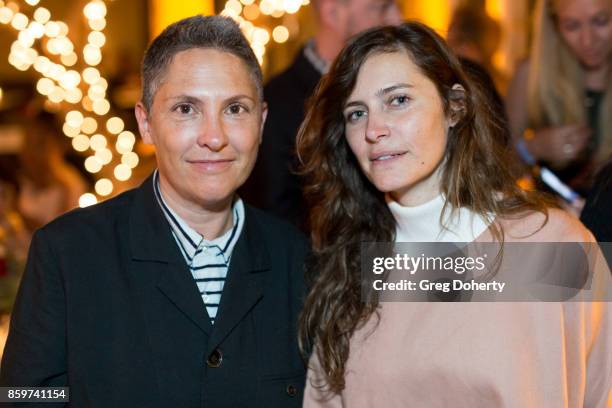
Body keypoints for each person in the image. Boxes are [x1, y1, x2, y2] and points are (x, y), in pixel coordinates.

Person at [297, 23, 611, 406]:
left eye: (398, 101)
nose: (374, 129)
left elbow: (598, 388)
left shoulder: (548, 243)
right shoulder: (352, 263)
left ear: (454, 108)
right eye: (356, 113)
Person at [1, 16, 308, 407]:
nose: (214, 136)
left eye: (235, 108)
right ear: (145, 124)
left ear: (261, 122)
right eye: (186, 109)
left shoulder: (298, 259)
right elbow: (24, 397)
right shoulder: (67, 254)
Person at [240, 0, 402, 229]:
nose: (397, 19)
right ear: (333, 12)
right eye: (381, 8)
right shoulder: (275, 104)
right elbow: (275, 219)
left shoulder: (396, 82)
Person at [506, 0, 612, 197]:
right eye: (572, 26)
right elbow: (496, 174)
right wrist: (533, 148)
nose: (588, 40)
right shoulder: (531, 76)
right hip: (555, 222)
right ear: (553, 26)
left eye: (601, 21)